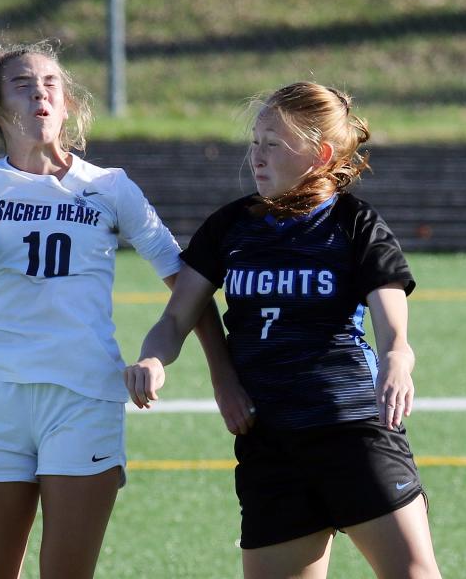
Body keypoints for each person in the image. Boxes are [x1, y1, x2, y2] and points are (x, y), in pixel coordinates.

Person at [0, 37, 214, 579]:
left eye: (51, 84)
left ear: (66, 106)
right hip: (1, 398)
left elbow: (186, 283)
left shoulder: (112, 188)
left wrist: (189, 366)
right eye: (22, 84)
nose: (39, 92)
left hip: (85, 399)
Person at [124, 82, 442, 579]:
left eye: (273, 144)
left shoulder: (355, 224)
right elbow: (174, 319)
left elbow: (391, 319)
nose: (257, 156)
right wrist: (152, 359)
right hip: (268, 440)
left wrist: (398, 359)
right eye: (255, 142)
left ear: (320, 154)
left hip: (352, 431)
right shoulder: (230, 226)